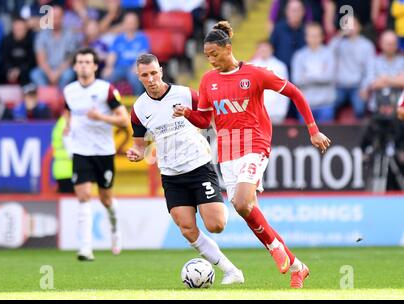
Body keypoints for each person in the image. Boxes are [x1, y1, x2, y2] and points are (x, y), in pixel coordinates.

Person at [173, 21, 331, 288]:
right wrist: (187, 113)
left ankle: (275, 249)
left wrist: (313, 130)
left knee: (244, 201)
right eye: (207, 56)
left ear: (228, 48)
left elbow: (295, 92)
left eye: (214, 54)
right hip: (227, 151)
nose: (210, 60)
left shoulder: (256, 74)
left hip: (255, 145)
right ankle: (296, 266)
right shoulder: (208, 81)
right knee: (243, 207)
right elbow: (204, 120)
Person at [126, 53, 244, 285]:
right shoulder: (139, 109)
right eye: (144, 75)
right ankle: (232, 271)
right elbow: (140, 146)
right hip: (171, 174)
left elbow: (207, 118)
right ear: (138, 77)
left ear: (160, 70)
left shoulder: (185, 94)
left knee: (216, 225)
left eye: (153, 73)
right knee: (187, 228)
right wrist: (136, 153)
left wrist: (191, 115)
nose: (151, 79)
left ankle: (228, 199)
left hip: (198, 165)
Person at [63, 47, 130, 261]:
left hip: (103, 152)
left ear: (94, 66)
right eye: (80, 61)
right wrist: (67, 126)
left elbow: (123, 119)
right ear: (75, 66)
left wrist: (101, 117)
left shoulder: (106, 90)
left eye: (87, 62)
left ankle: (115, 230)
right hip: (81, 151)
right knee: (83, 197)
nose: (83, 65)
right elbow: (68, 111)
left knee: (106, 200)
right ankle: (85, 248)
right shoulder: (69, 90)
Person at [291, 22, 336, 123]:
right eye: (311, 36)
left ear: (322, 37)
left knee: (326, 137)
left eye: (316, 36)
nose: (314, 39)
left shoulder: (329, 54)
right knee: (305, 137)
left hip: (326, 104)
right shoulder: (299, 56)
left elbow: (329, 77)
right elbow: (297, 80)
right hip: (305, 105)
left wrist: (308, 75)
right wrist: (319, 74)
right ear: (306, 37)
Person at [250, 40, 289, 124]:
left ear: (271, 50)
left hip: (276, 112)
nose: (263, 51)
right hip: (256, 112)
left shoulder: (280, 66)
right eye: (261, 48)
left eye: (266, 48)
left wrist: (282, 110)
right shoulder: (251, 66)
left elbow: (286, 89)